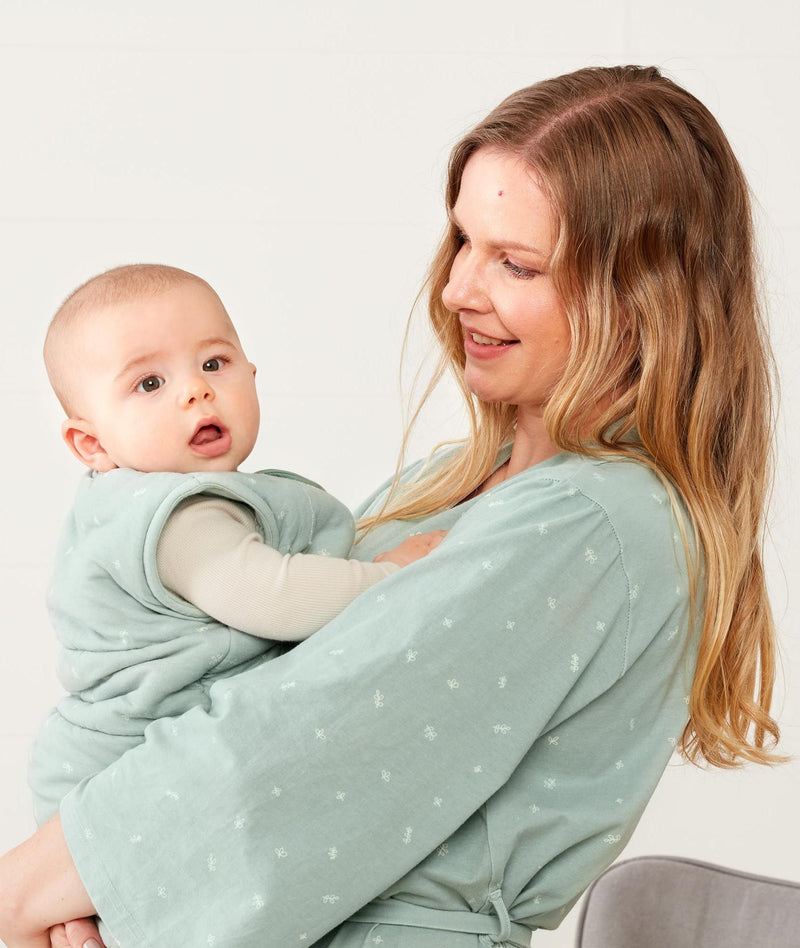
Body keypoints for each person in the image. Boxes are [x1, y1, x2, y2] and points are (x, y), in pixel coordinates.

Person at [0, 64, 781, 948]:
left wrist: (28, 896)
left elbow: (287, 752)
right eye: (462, 244)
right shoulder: (453, 478)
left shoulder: (592, 523)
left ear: (642, 300)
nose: (456, 291)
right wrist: (78, 898)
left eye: (515, 263)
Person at [29, 263, 444, 825]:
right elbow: (275, 596)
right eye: (150, 383)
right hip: (130, 766)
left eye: (213, 363)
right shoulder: (178, 518)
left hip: (106, 763)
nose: (196, 389)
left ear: (251, 373)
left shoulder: (127, 502)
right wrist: (392, 572)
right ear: (91, 442)